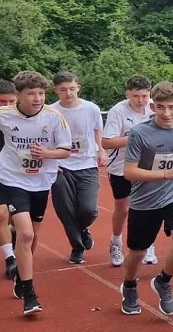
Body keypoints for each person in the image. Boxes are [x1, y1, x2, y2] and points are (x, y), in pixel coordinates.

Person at [120, 81, 173, 316]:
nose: (166, 113)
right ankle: (129, 284)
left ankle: (163, 280)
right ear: (152, 106)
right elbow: (129, 172)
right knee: (138, 252)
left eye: (171, 107)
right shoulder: (140, 133)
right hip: (144, 202)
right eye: (160, 107)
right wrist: (166, 173)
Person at [0, 71, 73, 314]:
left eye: (41, 93)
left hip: (42, 181)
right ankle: (30, 295)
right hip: (12, 179)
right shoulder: (5, 115)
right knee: (26, 233)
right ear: (18, 96)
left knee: (32, 237)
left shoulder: (55, 117)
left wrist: (48, 154)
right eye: (31, 94)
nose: (37, 98)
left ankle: (22, 276)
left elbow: (65, 150)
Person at [49, 71, 106, 264]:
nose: (68, 93)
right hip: (60, 166)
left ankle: (82, 229)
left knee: (89, 209)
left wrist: (101, 150)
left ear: (78, 87)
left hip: (87, 163)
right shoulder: (51, 111)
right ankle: (77, 247)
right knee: (65, 209)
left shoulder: (91, 108)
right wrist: (51, 161)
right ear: (55, 90)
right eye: (63, 90)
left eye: (72, 89)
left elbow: (98, 129)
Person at [103, 74, 154, 267]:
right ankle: (116, 242)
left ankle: (147, 243)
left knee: (148, 207)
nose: (140, 100)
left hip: (148, 166)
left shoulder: (154, 106)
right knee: (123, 209)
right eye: (135, 96)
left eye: (144, 95)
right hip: (121, 167)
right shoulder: (118, 111)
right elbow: (107, 142)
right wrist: (137, 138)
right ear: (127, 95)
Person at [0, 79, 17, 279]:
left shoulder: (24, 119)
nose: (5, 107)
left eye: (10, 102)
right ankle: (10, 260)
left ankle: (10, 231)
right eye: (1, 102)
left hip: (17, 174)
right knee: (2, 213)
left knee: (12, 218)